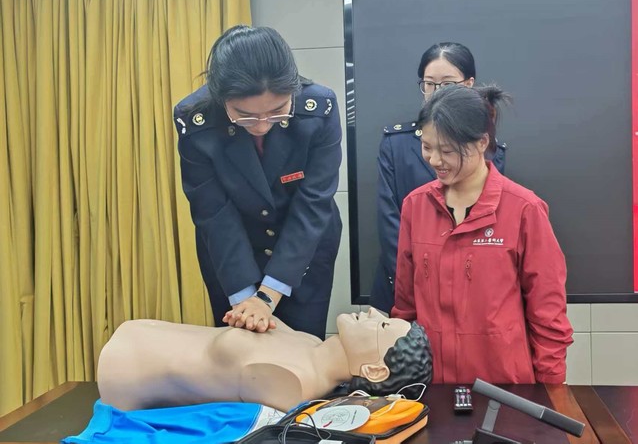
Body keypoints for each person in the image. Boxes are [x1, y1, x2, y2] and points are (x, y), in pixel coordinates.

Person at [391, 84, 573, 384]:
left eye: (447, 150)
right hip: (432, 385)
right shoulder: (416, 206)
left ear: (482, 142)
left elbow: (547, 310)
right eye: (427, 146)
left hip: (505, 387)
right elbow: (405, 306)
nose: (434, 160)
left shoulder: (524, 209)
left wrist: (550, 386)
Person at [173, 25, 342, 338]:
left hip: (303, 248)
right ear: (221, 99)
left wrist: (268, 296)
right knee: (239, 347)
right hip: (233, 254)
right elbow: (213, 212)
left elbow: (313, 202)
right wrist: (245, 300)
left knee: (302, 347)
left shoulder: (319, 110)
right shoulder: (196, 120)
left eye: (278, 112)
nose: (262, 126)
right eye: (245, 115)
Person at [371, 42, 507, 313]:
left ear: (469, 84)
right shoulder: (396, 144)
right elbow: (390, 225)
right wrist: (420, 287)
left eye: (446, 84)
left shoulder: (488, 149)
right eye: (429, 84)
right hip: (404, 287)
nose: (436, 92)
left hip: (468, 292)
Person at [97, 308, 433, 412]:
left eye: (382, 325)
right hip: (136, 336)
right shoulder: (310, 343)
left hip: (125, 372)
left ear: (374, 369)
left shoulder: (293, 383)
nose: (373, 311)